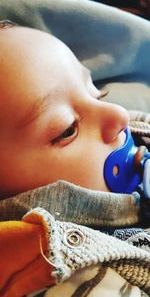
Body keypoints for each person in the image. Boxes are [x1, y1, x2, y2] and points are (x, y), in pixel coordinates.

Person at [0, 21, 150, 296]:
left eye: (96, 92)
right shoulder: (72, 276)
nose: (117, 114)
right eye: (68, 129)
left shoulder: (131, 132)